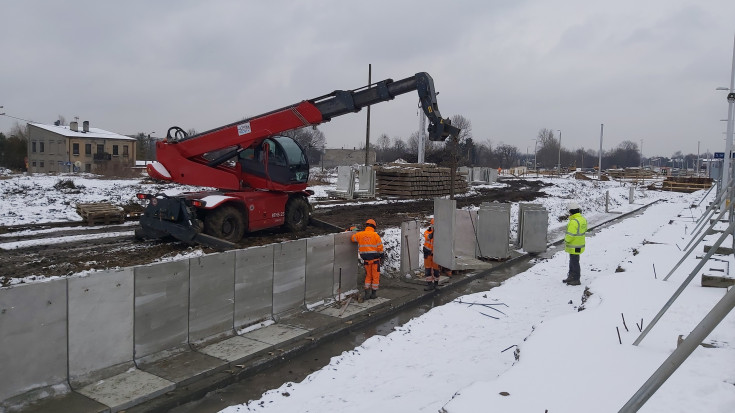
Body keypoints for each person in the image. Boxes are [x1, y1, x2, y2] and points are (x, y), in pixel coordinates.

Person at [351, 218, 384, 300]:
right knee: (375, 277)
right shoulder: (375, 235)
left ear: (366, 225)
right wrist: (382, 256)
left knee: (368, 276)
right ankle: (373, 294)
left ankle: (366, 294)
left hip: (366, 260)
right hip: (375, 260)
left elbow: (352, 238)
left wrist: (352, 230)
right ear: (374, 227)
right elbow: (380, 248)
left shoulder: (360, 234)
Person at [563, 201, 587, 286]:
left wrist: (566, 240)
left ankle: (576, 279)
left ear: (571, 211)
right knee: (573, 261)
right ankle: (571, 276)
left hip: (574, 245)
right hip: (579, 245)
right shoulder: (582, 219)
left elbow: (570, 235)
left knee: (574, 262)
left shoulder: (573, 222)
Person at [423, 218, 440, 291]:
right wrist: (433, 234)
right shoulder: (427, 232)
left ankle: (436, 284)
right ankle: (429, 284)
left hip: (436, 254)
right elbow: (428, 237)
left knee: (436, 270)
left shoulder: (440, 234)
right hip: (428, 253)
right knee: (428, 269)